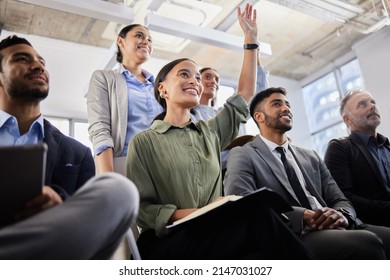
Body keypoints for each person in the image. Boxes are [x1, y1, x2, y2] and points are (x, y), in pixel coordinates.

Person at [126, 4, 311, 260]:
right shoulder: (143, 142)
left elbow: (244, 95)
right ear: (162, 89)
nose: (195, 81)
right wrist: (202, 212)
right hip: (166, 241)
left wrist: (251, 41)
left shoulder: (209, 132)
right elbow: (143, 211)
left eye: (197, 78)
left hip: (211, 230)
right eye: (184, 75)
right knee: (262, 221)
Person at [0, 35, 139, 259]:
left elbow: (88, 227)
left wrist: (61, 205)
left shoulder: (78, 153)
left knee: (120, 190)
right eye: (21, 59)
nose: (37, 65)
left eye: (41, 62)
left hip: (50, 257)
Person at [224, 86, 390, 259]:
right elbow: (242, 202)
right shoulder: (243, 153)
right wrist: (301, 216)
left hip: (341, 225)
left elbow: (339, 198)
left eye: (287, 104)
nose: (286, 108)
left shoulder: (310, 156)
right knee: (366, 243)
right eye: (276, 104)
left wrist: (342, 214)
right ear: (259, 117)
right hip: (296, 234)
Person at [87, 24, 162, 173]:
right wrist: (108, 176)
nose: (146, 42)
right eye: (139, 36)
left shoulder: (160, 86)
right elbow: (100, 129)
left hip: (162, 165)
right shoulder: (104, 78)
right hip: (125, 165)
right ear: (121, 42)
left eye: (150, 39)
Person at [324, 89, 390, 227]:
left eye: (373, 102)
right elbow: (344, 197)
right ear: (348, 119)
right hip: (371, 225)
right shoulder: (339, 148)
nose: (372, 106)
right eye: (362, 104)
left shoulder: (386, 146)